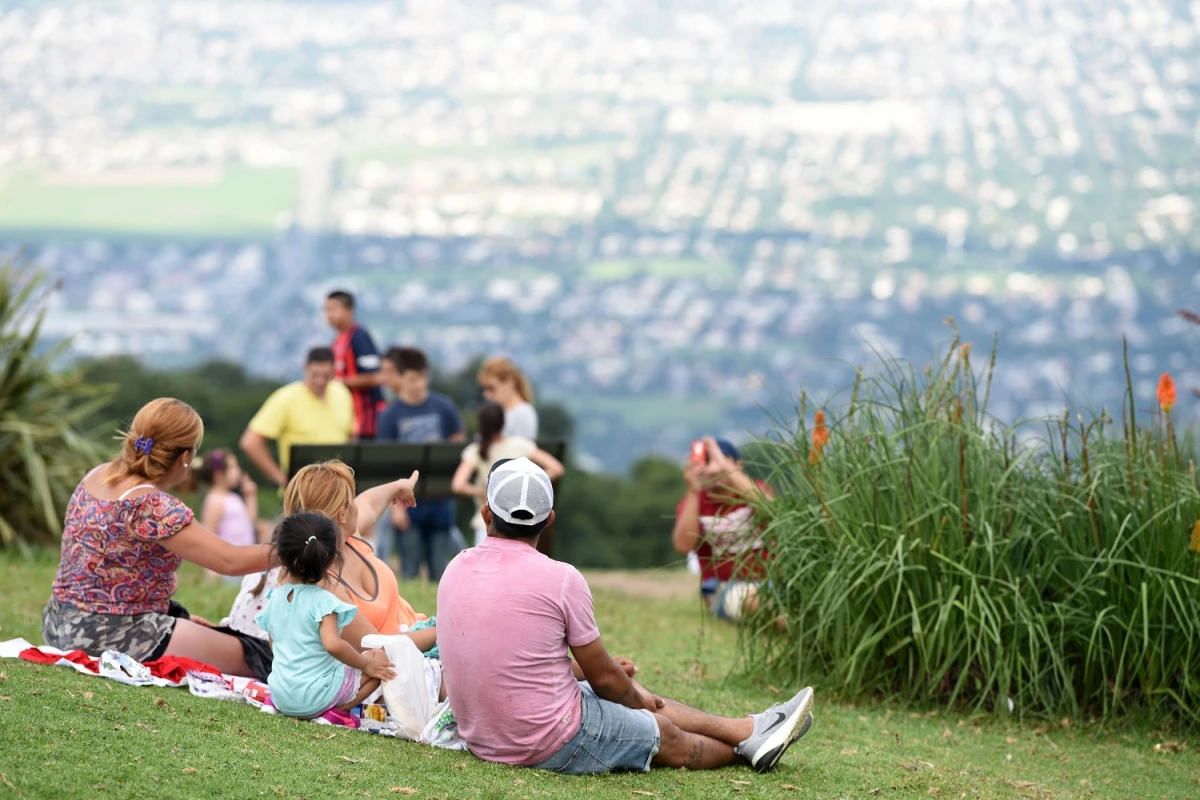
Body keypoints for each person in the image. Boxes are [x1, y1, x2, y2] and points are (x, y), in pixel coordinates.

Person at [438, 457, 814, 775]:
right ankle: (750, 748)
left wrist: (624, 688)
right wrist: (634, 700)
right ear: (549, 519)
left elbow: (511, 662)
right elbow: (605, 680)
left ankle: (748, 729)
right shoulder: (561, 578)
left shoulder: (455, 568)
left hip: (485, 736)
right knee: (662, 730)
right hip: (544, 742)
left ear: (486, 512)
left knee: (635, 693)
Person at [42, 398, 276, 677]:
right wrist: (299, 549)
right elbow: (229, 560)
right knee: (261, 658)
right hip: (112, 633)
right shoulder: (151, 505)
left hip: (58, 623)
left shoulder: (96, 475)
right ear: (186, 457)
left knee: (220, 636)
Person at [222, 461, 428, 651]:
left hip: (418, 634)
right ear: (342, 514)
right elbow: (374, 646)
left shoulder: (350, 537)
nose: (357, 503)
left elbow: (372, 502)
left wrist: (400, 486)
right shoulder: (320, 582)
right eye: (351, 499)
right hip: (401, 655)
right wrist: (440, 634)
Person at [255, 511, 397, 722]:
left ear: (282, 557)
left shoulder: (275, 597)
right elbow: (332, 645)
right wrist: (364, 664)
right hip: (314, 698)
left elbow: (273, 641)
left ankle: (274, 704)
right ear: (331, 559)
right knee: (378, 661)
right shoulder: (324, 603)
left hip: (280, 694)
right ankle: (334, 713)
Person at [377, 346, 465, 581]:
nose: (419, 384)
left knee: (440, 567)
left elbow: (458, 448)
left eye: (422, 378)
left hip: (440, 498)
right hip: (407, 501)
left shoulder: (444, 407)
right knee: (409, 568)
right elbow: (386, 465)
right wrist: (394, 507)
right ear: (401, 379)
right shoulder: (390, 415)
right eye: (413, 379)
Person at [672, 438, 774, 622]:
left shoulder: (756, 489)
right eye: (707, 462)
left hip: (771, 582)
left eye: (719, 461)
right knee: (755, 601)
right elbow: (682, 546)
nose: (713, 470)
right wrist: (693, 490)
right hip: (722, 587)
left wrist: (728, 470)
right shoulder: (694, 503)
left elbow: (771, 510)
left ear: (738, 465)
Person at [451, 402, 564, 546]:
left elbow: (458, 485)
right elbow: (556, 468)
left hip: (487, 522)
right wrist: (531, 485)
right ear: (503, 423)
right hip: (524, 521)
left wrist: (481, 491)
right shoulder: (520, 445)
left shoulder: (476, 450)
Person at [239, 347, 354, 488]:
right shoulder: (285, 398)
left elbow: (350, 436)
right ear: (305, 368)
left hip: (338, 490)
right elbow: (250, 442)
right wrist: (283, 480)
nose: (320, 381)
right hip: (302, 492)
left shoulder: (342, 393)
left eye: (326, 376)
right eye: (315, 375)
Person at [196, 448, 267, 583]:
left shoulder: (233, 497)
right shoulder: (215, 502)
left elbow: (249, 521)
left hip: (244, 563)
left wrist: (251, 495)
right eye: (233, 467)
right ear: (218, 474)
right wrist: (212, 572)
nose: (238, 471)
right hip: (228, 568)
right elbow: (208, 538)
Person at [326, 290, 386, 440]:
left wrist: (339, 384)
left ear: (349, 311)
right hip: (346, 417)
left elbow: (375, 377)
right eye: (326, 309)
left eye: (333, 309)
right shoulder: (337, 340)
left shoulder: (359, 337)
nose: (329, 314)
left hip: (367, 419)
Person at [478, 356, 538, 439]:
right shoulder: (494, 414)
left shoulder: (523, 413)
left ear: (509, 382)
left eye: (492, 388)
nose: (487, 394)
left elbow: (522, 449)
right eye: (484, 389)